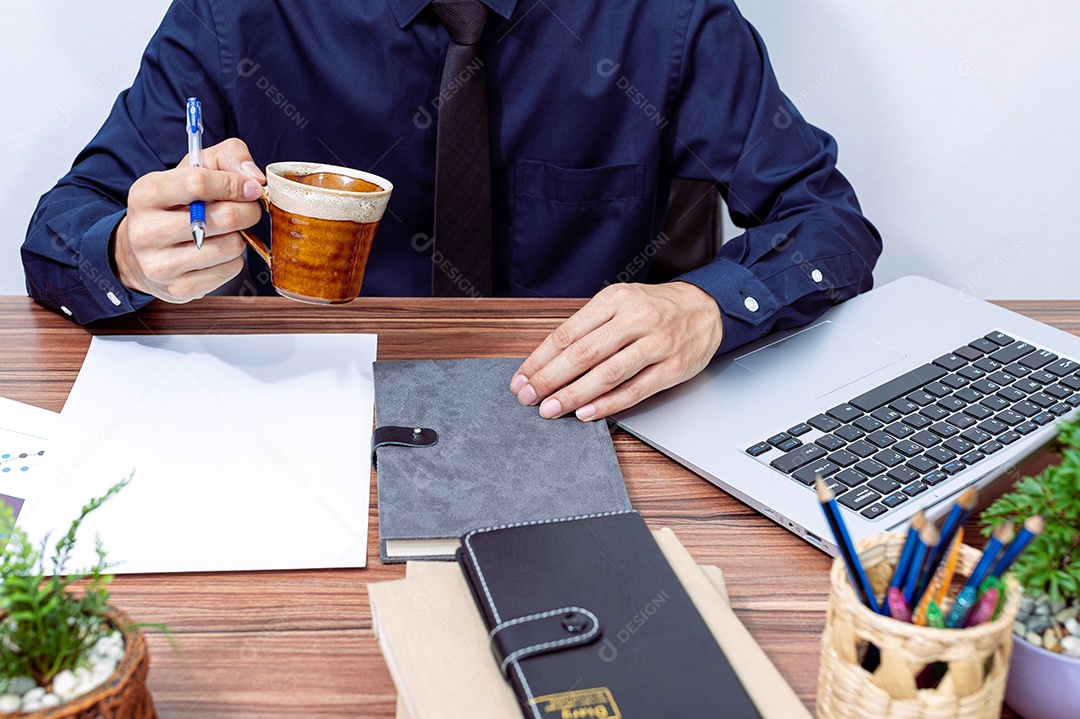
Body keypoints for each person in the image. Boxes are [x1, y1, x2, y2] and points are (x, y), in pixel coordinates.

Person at [22, 0, 881, 422]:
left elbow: (830, 222)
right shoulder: (240, 13)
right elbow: (61, 230)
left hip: (594, 417)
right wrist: (132, 254)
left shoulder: (663, 14)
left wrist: (706, 308)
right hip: (300, 413)